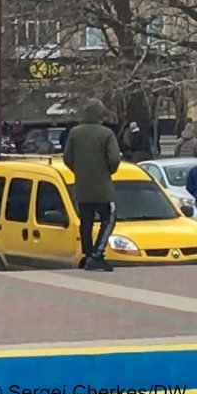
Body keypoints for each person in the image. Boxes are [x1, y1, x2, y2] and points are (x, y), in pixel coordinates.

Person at [63, 99, 121, 272]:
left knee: (86, 222)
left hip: (81, 187)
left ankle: (88, 254)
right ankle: (98, 254)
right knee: (109, 218)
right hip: (102, 186)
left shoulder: (75, 133)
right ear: (100, 114)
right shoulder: (106, 134)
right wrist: (107, 172)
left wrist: (79, 171)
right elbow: (114, 159)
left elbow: (67, 158)